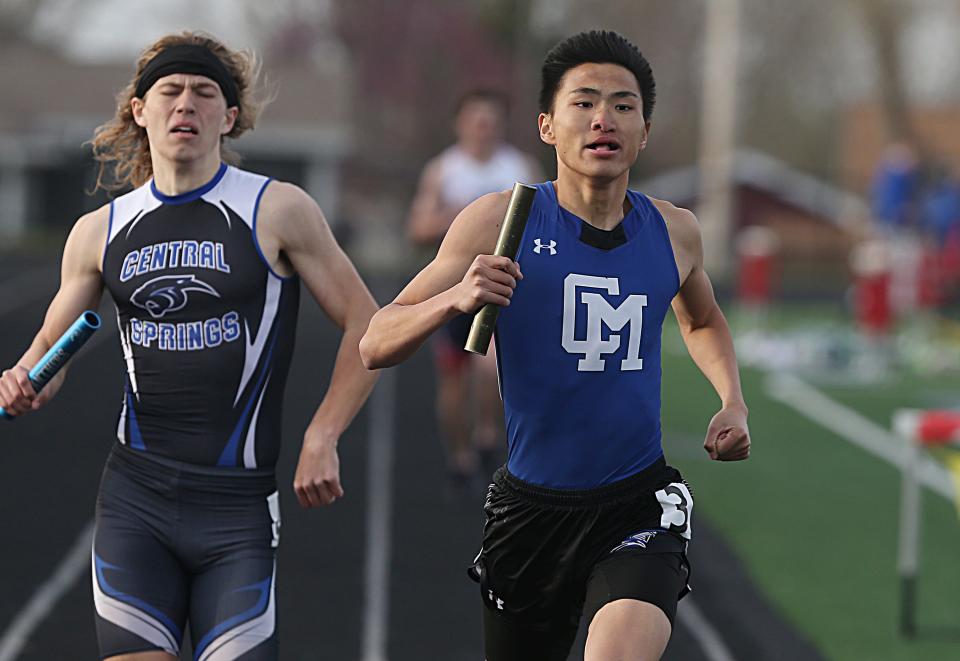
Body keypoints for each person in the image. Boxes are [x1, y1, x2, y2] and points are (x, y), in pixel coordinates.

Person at [360, 30, 750, 661]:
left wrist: (732, 400)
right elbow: (376, 343)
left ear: (643, 132)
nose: (604, 119)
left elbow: (701, 321)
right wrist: (455, 298)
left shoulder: (675, 231)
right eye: (585, 102)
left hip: (636, 503)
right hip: (533, 511)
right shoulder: (499, 222)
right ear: (546, 126)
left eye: (623, 106)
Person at [0, 32, 378, 660]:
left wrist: (324, 434)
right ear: (139, 111)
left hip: (238, 511)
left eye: (205, 94)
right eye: (170, 91)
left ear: (229, 118)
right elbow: (48, 346)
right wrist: (23, 376)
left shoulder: (276, 209)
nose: (186, 105)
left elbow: (366, 322)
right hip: (134, 501)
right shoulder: (100, 231)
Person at [406, 89, 540, 494]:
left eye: (491, 119)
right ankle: (460, 457)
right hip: (453, 288)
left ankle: (486, 434)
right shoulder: (443, 170)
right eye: (476, 119)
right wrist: (467, 216)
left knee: (491, 367)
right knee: (452, 382)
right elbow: (418, 230)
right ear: (460, 123)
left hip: (503, 289)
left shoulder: (521, 167)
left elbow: (544, 225)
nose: (483, 127)